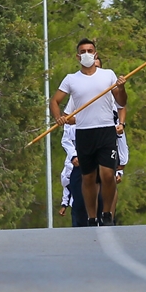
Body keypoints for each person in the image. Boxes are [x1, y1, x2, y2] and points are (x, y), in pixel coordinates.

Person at [50, 39, 127, 226]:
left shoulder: (108, 75)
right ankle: (92, 217)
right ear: (78, 56)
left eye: (90, 50)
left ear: (96, 54)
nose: (86, 53)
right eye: (83, 51)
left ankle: (107, 213)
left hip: (106, 130)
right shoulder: (71, 79)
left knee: (108, 175)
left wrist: (122, 86)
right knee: (89, 177)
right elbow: (54, 101)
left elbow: (122, 102)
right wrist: (58, 117)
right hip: (84, 133)